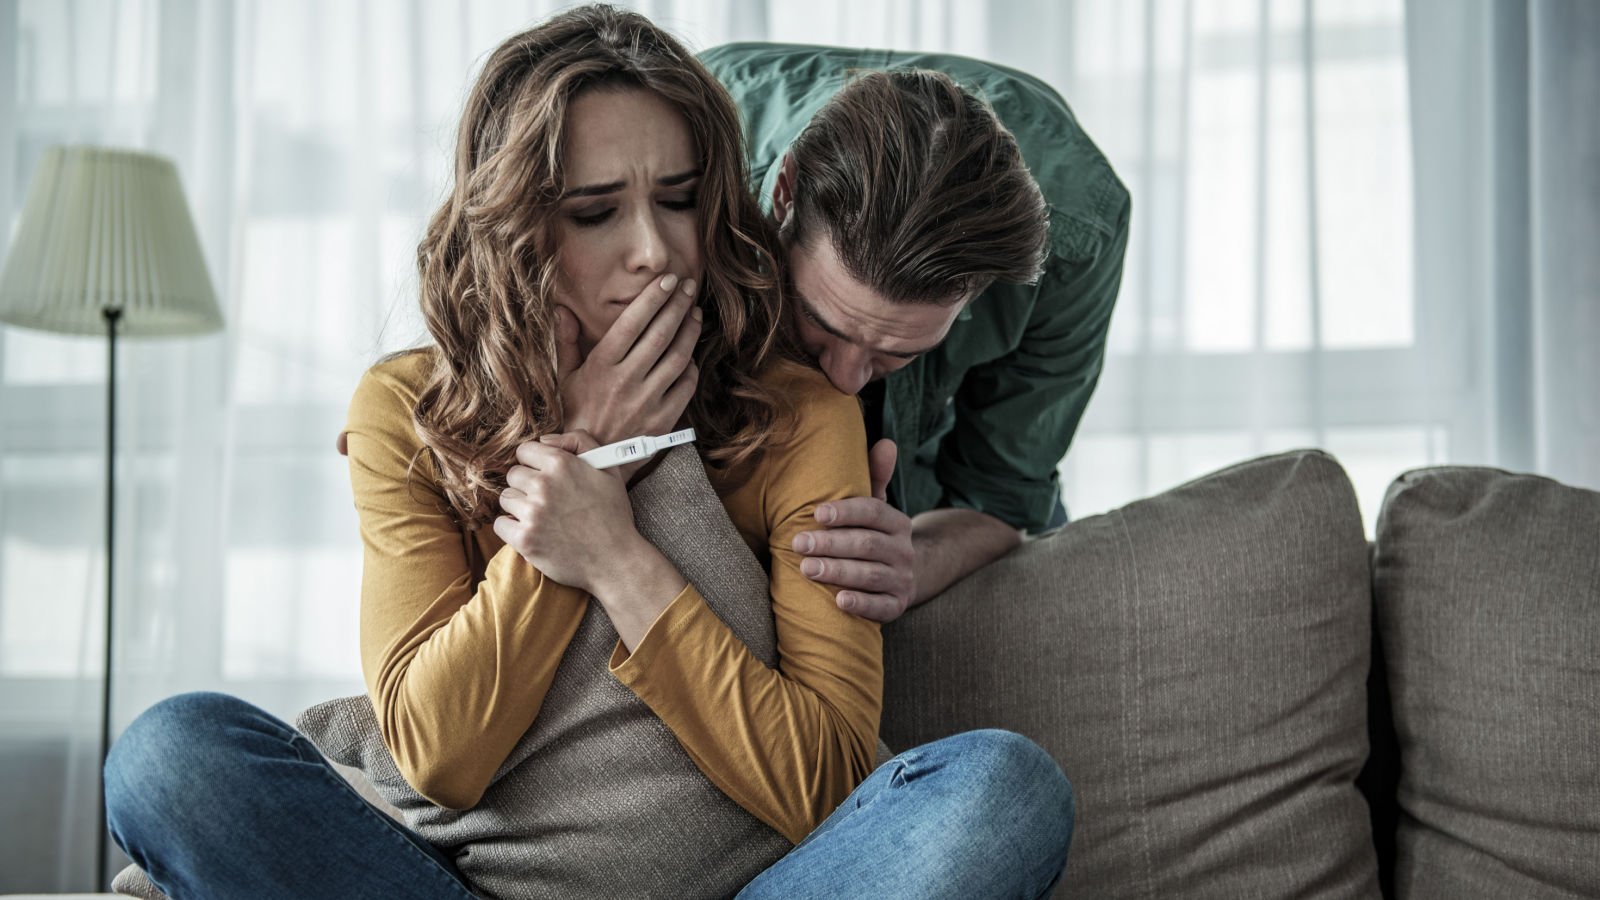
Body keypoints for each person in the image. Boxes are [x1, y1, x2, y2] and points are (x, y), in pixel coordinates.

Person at [104, 6, 1072, 899]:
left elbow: (827, 787)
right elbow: (441, 757)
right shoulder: (402, 408)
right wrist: (586, 459)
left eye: (681, 198)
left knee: (1003, 788)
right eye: (595, 210)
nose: (654, 249)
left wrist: (619, 558)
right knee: (170, 756)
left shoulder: (804, 414)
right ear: (517, 224)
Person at [697, 44, 1133, 623]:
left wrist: (914, 564)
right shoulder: (688, 150)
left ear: (980, 289)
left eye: (896, 351)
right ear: (785, 194)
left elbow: (1001, 495)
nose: (844, 379)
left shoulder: (1080, 234)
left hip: (935, 451)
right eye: (820, 324)